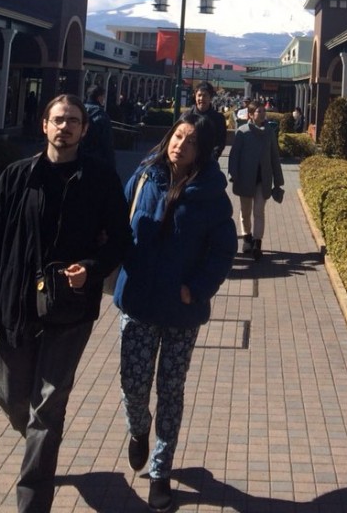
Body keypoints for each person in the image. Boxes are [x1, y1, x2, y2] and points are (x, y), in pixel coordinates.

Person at [0, 94, 131, 513]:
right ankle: (39, 441)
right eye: (58, 120)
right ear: (44, 126)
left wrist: (92, 268)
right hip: (15, 306)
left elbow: (121, 240)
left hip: (70, 309)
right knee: (11, 398)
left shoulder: (100, 179)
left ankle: (33, 499)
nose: (65, 127)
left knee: (48, 406)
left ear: (84, 130)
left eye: (73, 121)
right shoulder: (17, 177)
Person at [114, 112, 237, 510]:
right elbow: (116, 224)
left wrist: (197, 289)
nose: (180, 145)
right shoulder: (145, 177)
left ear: (204, 151)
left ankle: (160, 470)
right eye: (178, 136)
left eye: (191, 141)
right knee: (133, 385)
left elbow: (223, 251)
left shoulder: (212, 195)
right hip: (138, 302)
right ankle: (139, 429)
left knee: (170, 389)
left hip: (181, 311)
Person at [228, 100, 284, 260]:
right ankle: (247, 237)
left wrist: (278, 181)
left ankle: (257, 243)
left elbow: (274, 156)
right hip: (245, 178)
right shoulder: (242, 132)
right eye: (259, 111)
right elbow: (234, 155)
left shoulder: (269, 132)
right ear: (251, 115)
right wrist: (233, 174)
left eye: (263, 111)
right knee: (245, 211)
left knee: (259, 210)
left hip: (263, 179)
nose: (263, 114)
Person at [81, 84, 117, 170]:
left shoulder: (79, 111)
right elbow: (107, 142)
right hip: (95, 158)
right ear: (99, 97)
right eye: (103, 97)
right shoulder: (101, 115)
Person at [192, 81, 228, 159]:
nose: (201, 98)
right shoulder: (187, 116)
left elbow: (220, 142)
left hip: (209, 161)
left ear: (210, 97)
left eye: (205, 95)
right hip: (188, 159)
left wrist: (212, 157)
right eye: (199, 95)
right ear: (195, 96)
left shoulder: (218, 118)